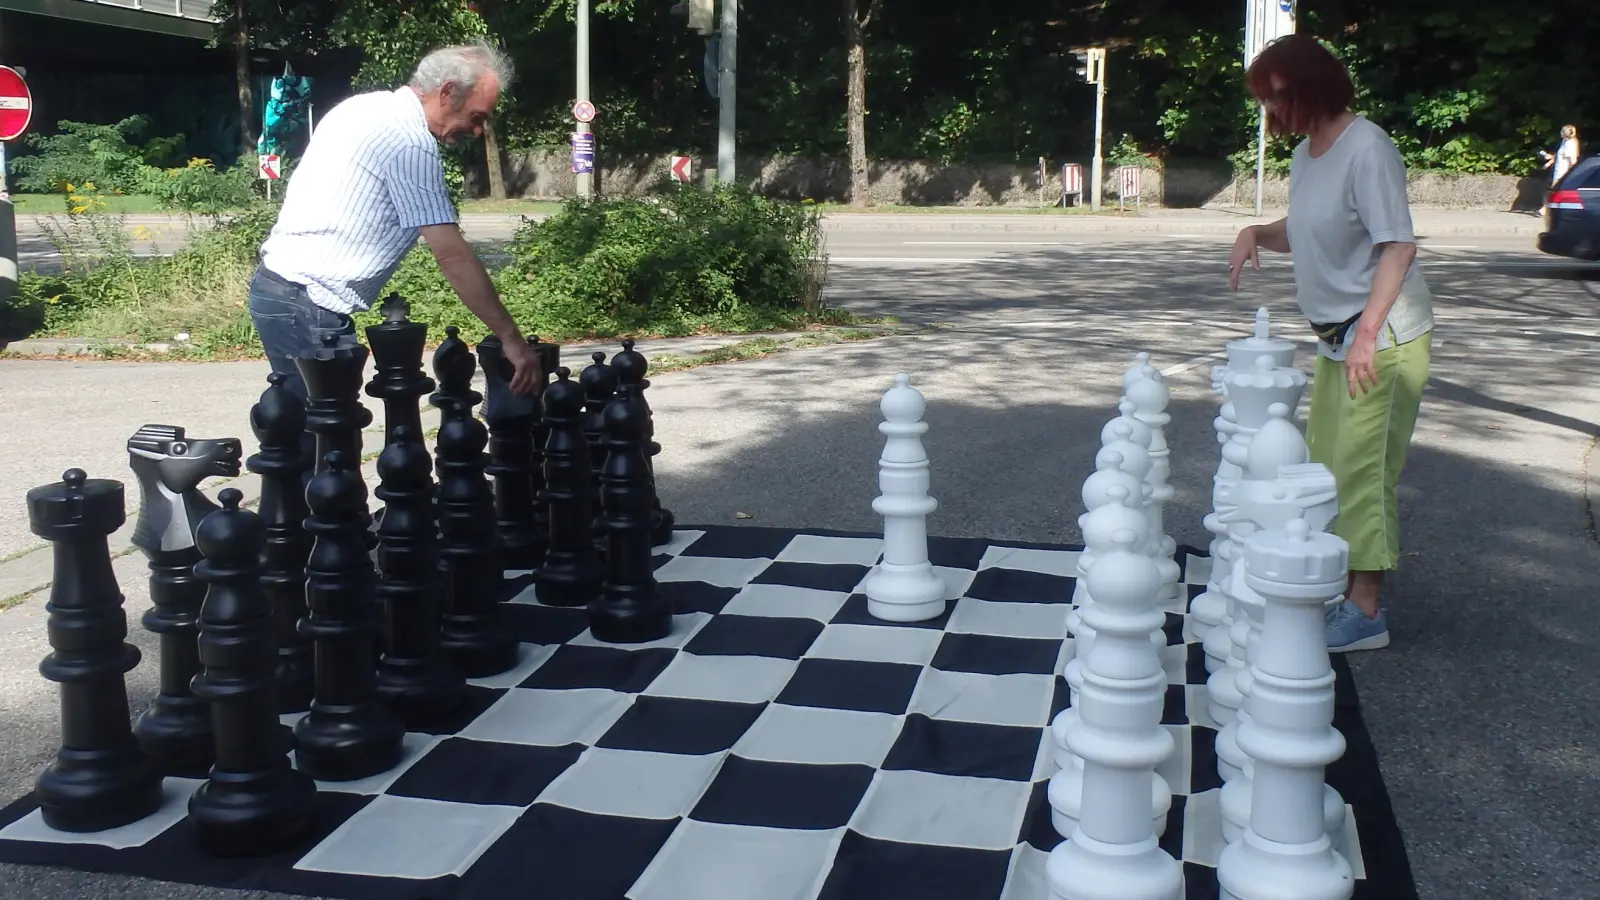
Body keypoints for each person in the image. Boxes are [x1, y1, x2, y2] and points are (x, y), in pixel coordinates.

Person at [1226, 33, 1433, 653]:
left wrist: (1368, 332)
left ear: (1316, 84)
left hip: (1382, 336)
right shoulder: (1306, 155)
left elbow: (1397, 243)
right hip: (1336, 337)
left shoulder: (1366, 147)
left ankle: (1365, 612)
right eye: (1264, 102)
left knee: (1362, 473)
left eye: (1280, 98)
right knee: (1326, 467)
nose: (1273, 115)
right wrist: (1256, 232)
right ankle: (1343, 588)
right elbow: (1308, 226)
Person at [247, 40, 542, 404]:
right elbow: (451, 255)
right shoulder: (410, 142)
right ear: (447, 92)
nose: (477, 130)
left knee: (312, 434)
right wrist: (512, 340)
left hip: (283, 293)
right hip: (307, 304)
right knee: (325, 444)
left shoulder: (364, 107)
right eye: (477, 117)